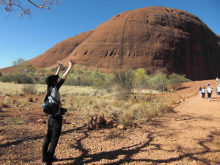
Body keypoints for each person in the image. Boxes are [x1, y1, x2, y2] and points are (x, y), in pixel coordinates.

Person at [42, 59, 76, 165]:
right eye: (55, 80)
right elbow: (62, 78)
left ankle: (44, 157)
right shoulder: (56, 88)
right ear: (54, 82)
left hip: (50, 118)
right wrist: (70, 67)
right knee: (54, 140)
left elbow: (55, 78)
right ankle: (49, 160)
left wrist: (59, 68)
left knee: (48, 137)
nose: (56, 80)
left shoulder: (49, 87)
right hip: (56, 119)